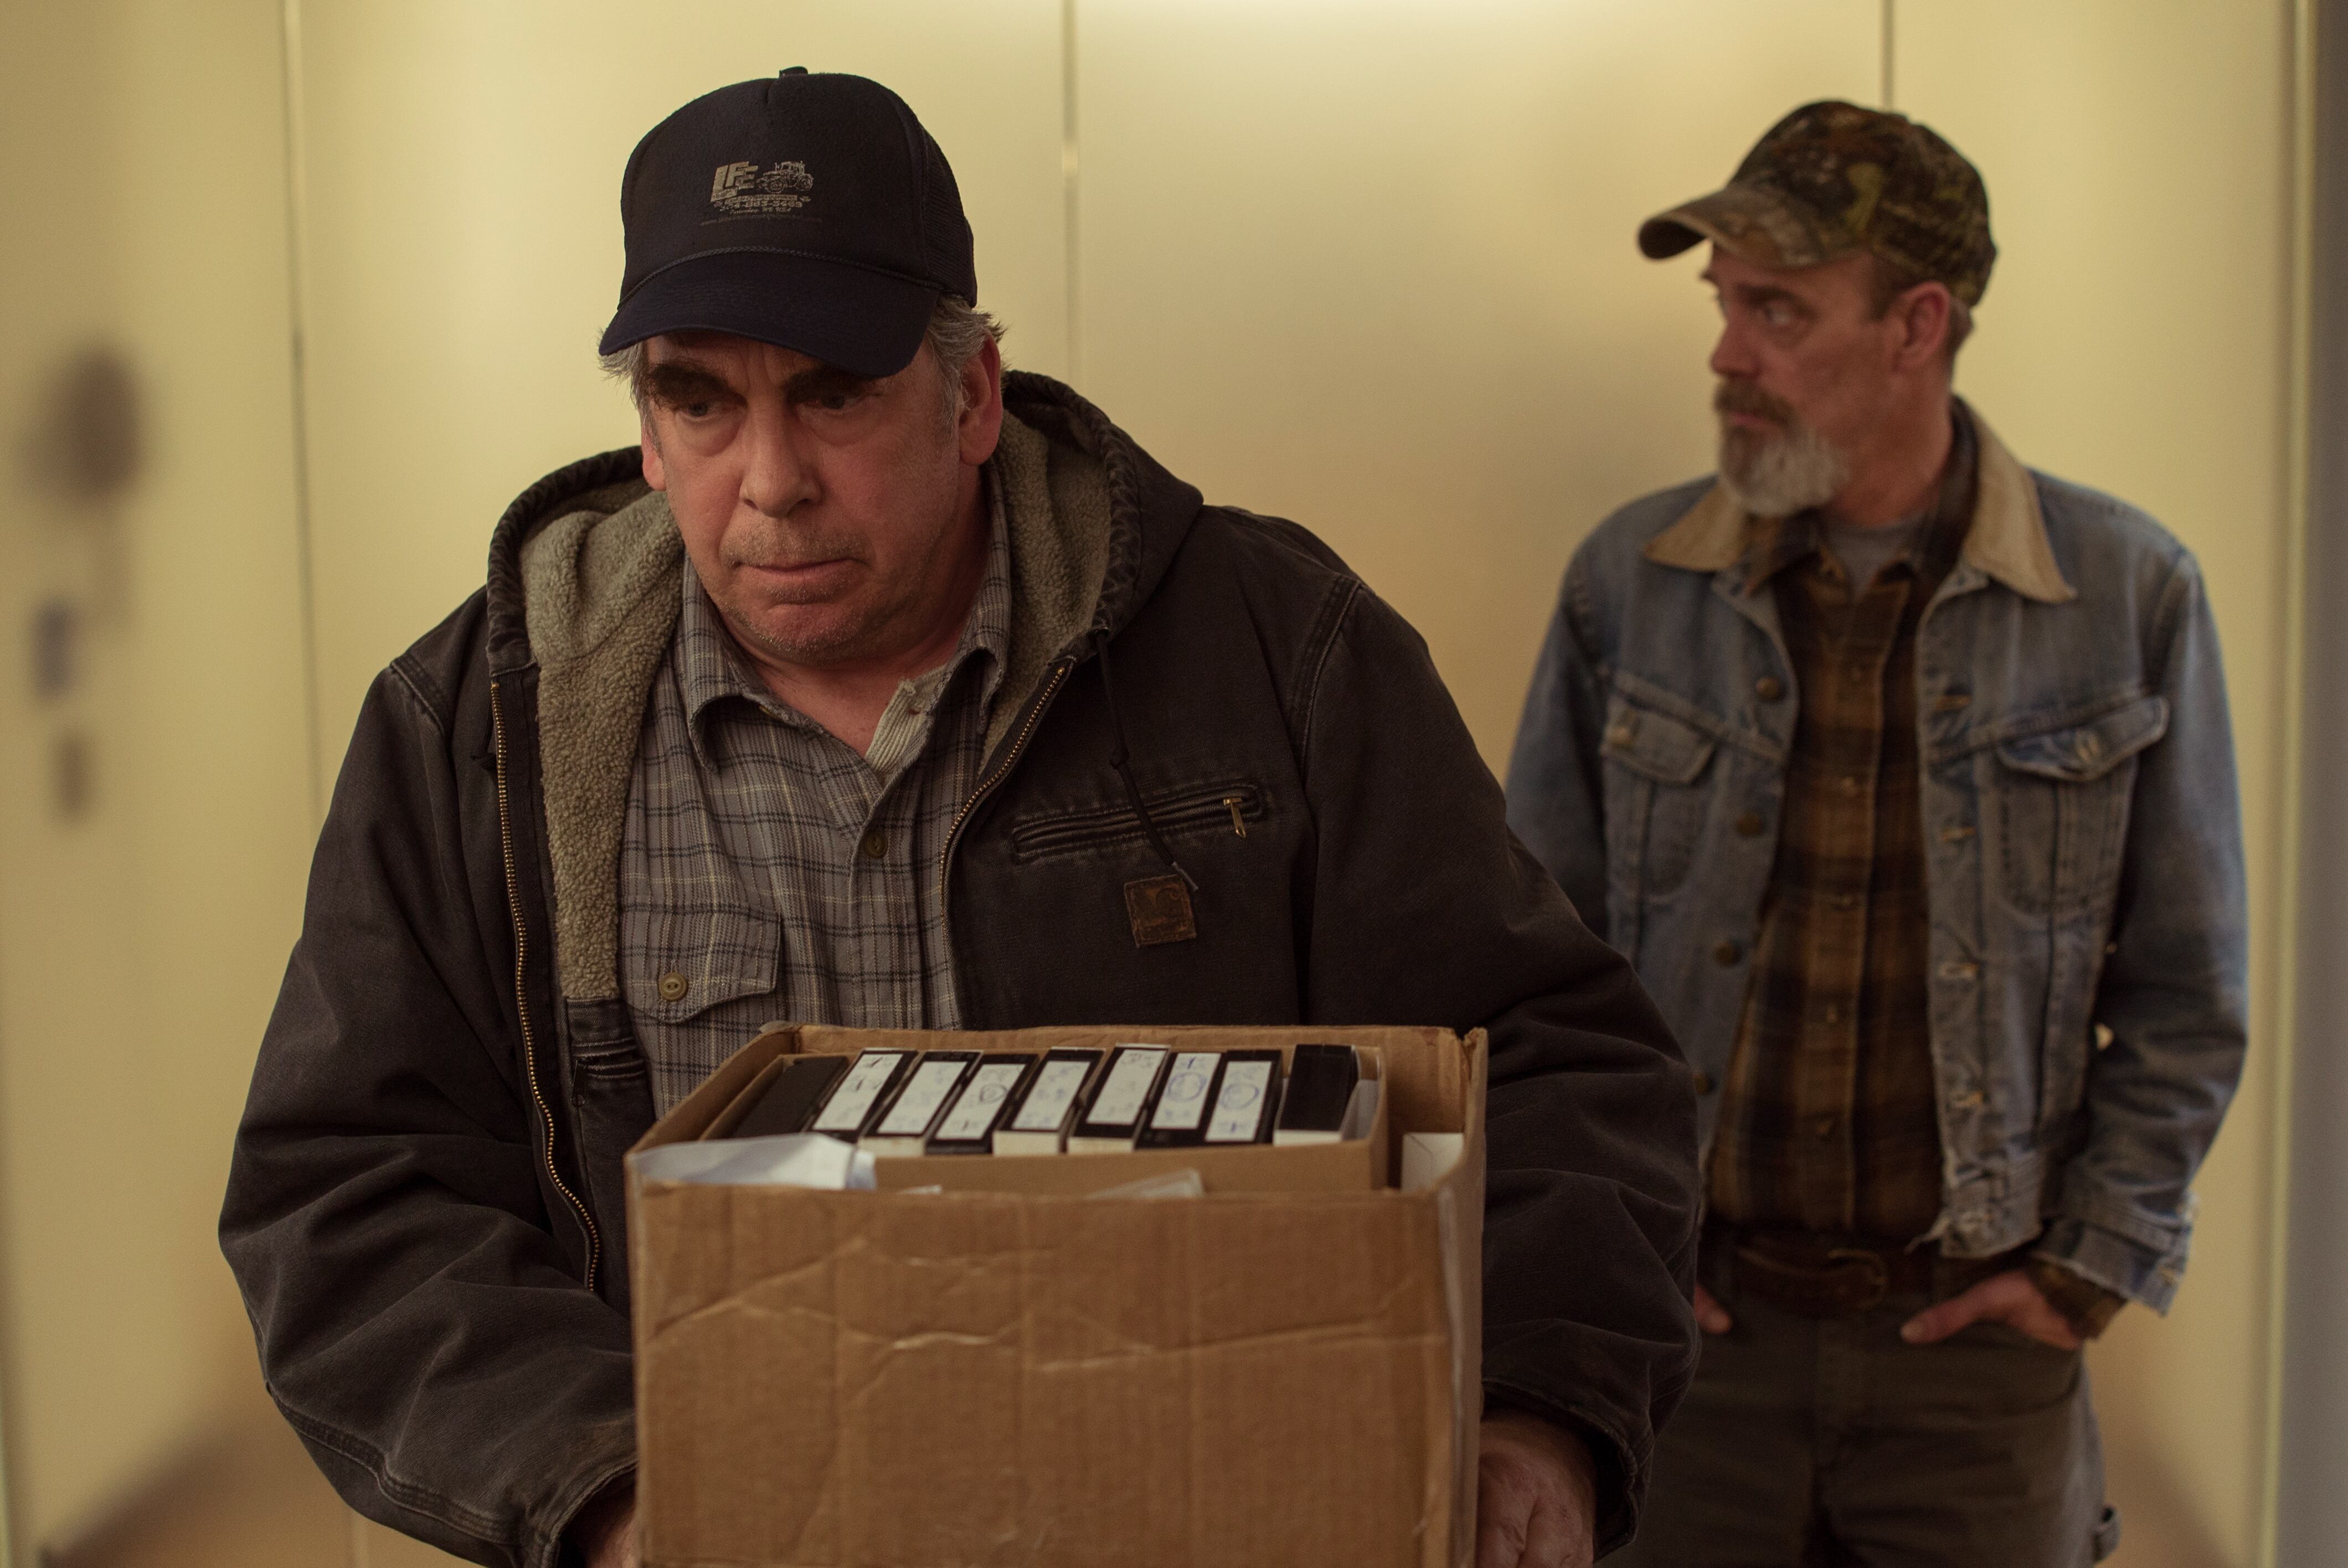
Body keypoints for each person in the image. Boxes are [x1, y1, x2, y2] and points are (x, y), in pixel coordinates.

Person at [221, 70, 1699, 1568]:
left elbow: (1556, 1065)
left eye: (835, 394)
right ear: (650, 431)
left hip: (1211, 1520)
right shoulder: (479, 725)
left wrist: (1535, 1412)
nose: (773, 483)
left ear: (973, 393)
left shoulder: (1273, 647)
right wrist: (609, 1492)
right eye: (700, 401)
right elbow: (355, 1196)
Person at [1506, 100, 2248, 1565]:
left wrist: (2085, 1272)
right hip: (1688, 1344)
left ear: (1919, 325)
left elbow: (2187, 992)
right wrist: (1607, 1254)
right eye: (1723, 306)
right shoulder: (1628, 585)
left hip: (1977, 1372)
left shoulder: (2125, 596)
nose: (1727, 355)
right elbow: (1542, 970)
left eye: (1777, 309)